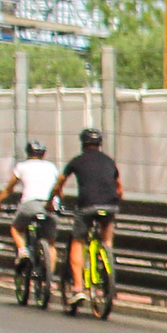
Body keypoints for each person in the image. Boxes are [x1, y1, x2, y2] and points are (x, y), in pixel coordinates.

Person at [52, 126, 122, 299]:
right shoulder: (109, 161)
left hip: (87, 205)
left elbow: (60, 182)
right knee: (106, 228)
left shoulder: (77, 161)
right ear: (100, 144)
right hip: (110, 205)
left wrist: (53, 197)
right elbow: (119, 187)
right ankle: (107, 255)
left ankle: (78, 288)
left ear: (83, 143)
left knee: (78, 241)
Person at [0, 141, 60, 275]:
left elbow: (9, 189)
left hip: (30, 204)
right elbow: (58, 188)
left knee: (16, 228)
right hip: (49, 205)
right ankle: (49, 279)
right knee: (51, 243)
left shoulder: (22, 166)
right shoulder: (51, 167)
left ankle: (23, 252)